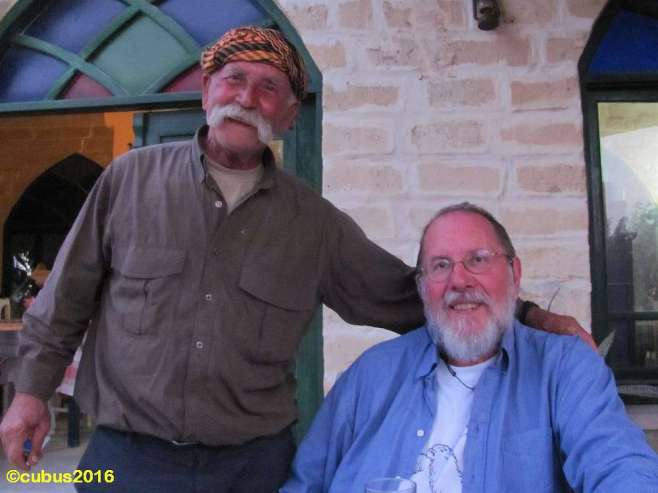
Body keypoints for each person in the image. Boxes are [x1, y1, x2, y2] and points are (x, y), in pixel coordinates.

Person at [0, 26, 591, 492]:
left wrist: (531, 316)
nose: (246, 98)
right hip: (124, 460)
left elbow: (412, 295)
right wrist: (30, 395)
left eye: (268, 88)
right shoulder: (130, 181)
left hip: (254, 469)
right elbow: (64, 300)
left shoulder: (313, 223)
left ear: (288, 115)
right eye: (233, 79)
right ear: (207, 92)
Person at [281, 202, 658, 493]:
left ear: (514, 274)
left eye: (477, 260)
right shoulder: (370, 375)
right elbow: (305, 484)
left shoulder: (563, 368)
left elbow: (619, 464)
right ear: (421, 287)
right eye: (441, 266)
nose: (459, 280)